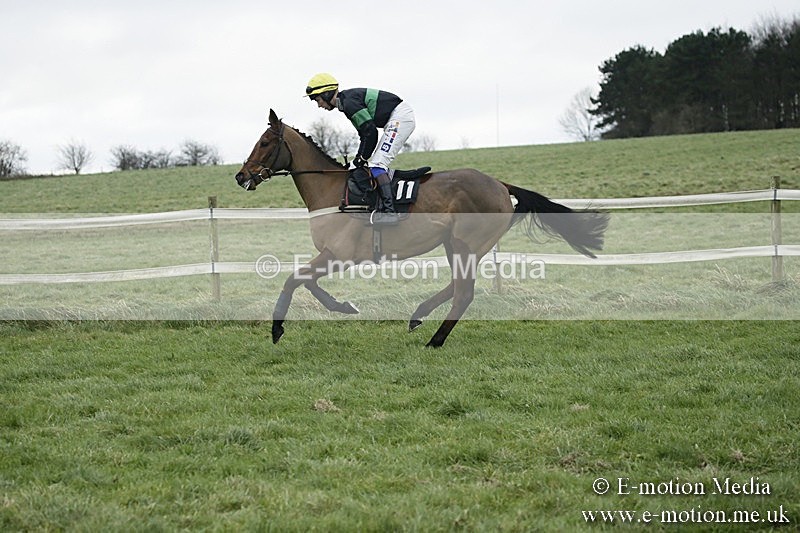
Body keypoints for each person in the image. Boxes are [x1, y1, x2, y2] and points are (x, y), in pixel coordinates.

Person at [306, 73, 416, 224]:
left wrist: (360, 159)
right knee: (372, 164)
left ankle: (390, 212)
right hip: (395, 118)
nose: (319, 105)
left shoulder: (349, 103)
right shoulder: (345, 102)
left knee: (377, 164)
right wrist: (359, 159)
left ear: (326, 93)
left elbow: (370, 132)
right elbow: (365, 134)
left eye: (318, 100)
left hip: (400, 118)